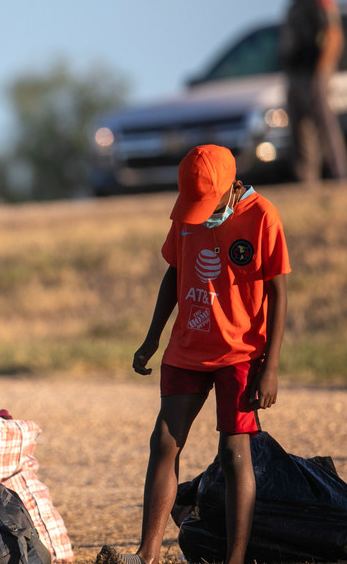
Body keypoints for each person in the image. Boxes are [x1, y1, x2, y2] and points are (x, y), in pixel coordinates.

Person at [97, 145, 289, 564]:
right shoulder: (186, 216)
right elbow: (175, 272)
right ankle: (146, 555)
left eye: (208, 203)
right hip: (187, 346)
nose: (200, 212)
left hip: (239, 353)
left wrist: (269, 368)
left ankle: (234, 560)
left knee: (234, 453)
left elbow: (277, 291)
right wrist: (152, 339)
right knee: (164, 441)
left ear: (232, 187)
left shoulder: (262, 216)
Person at [280, 0, 347, 183]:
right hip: (296, 74)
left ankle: (339, 175)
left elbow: (333, 35)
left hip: (315, 72)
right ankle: (306, 180)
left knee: (325, 123)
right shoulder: (294, 4)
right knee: (300, 128)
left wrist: (321, 72)